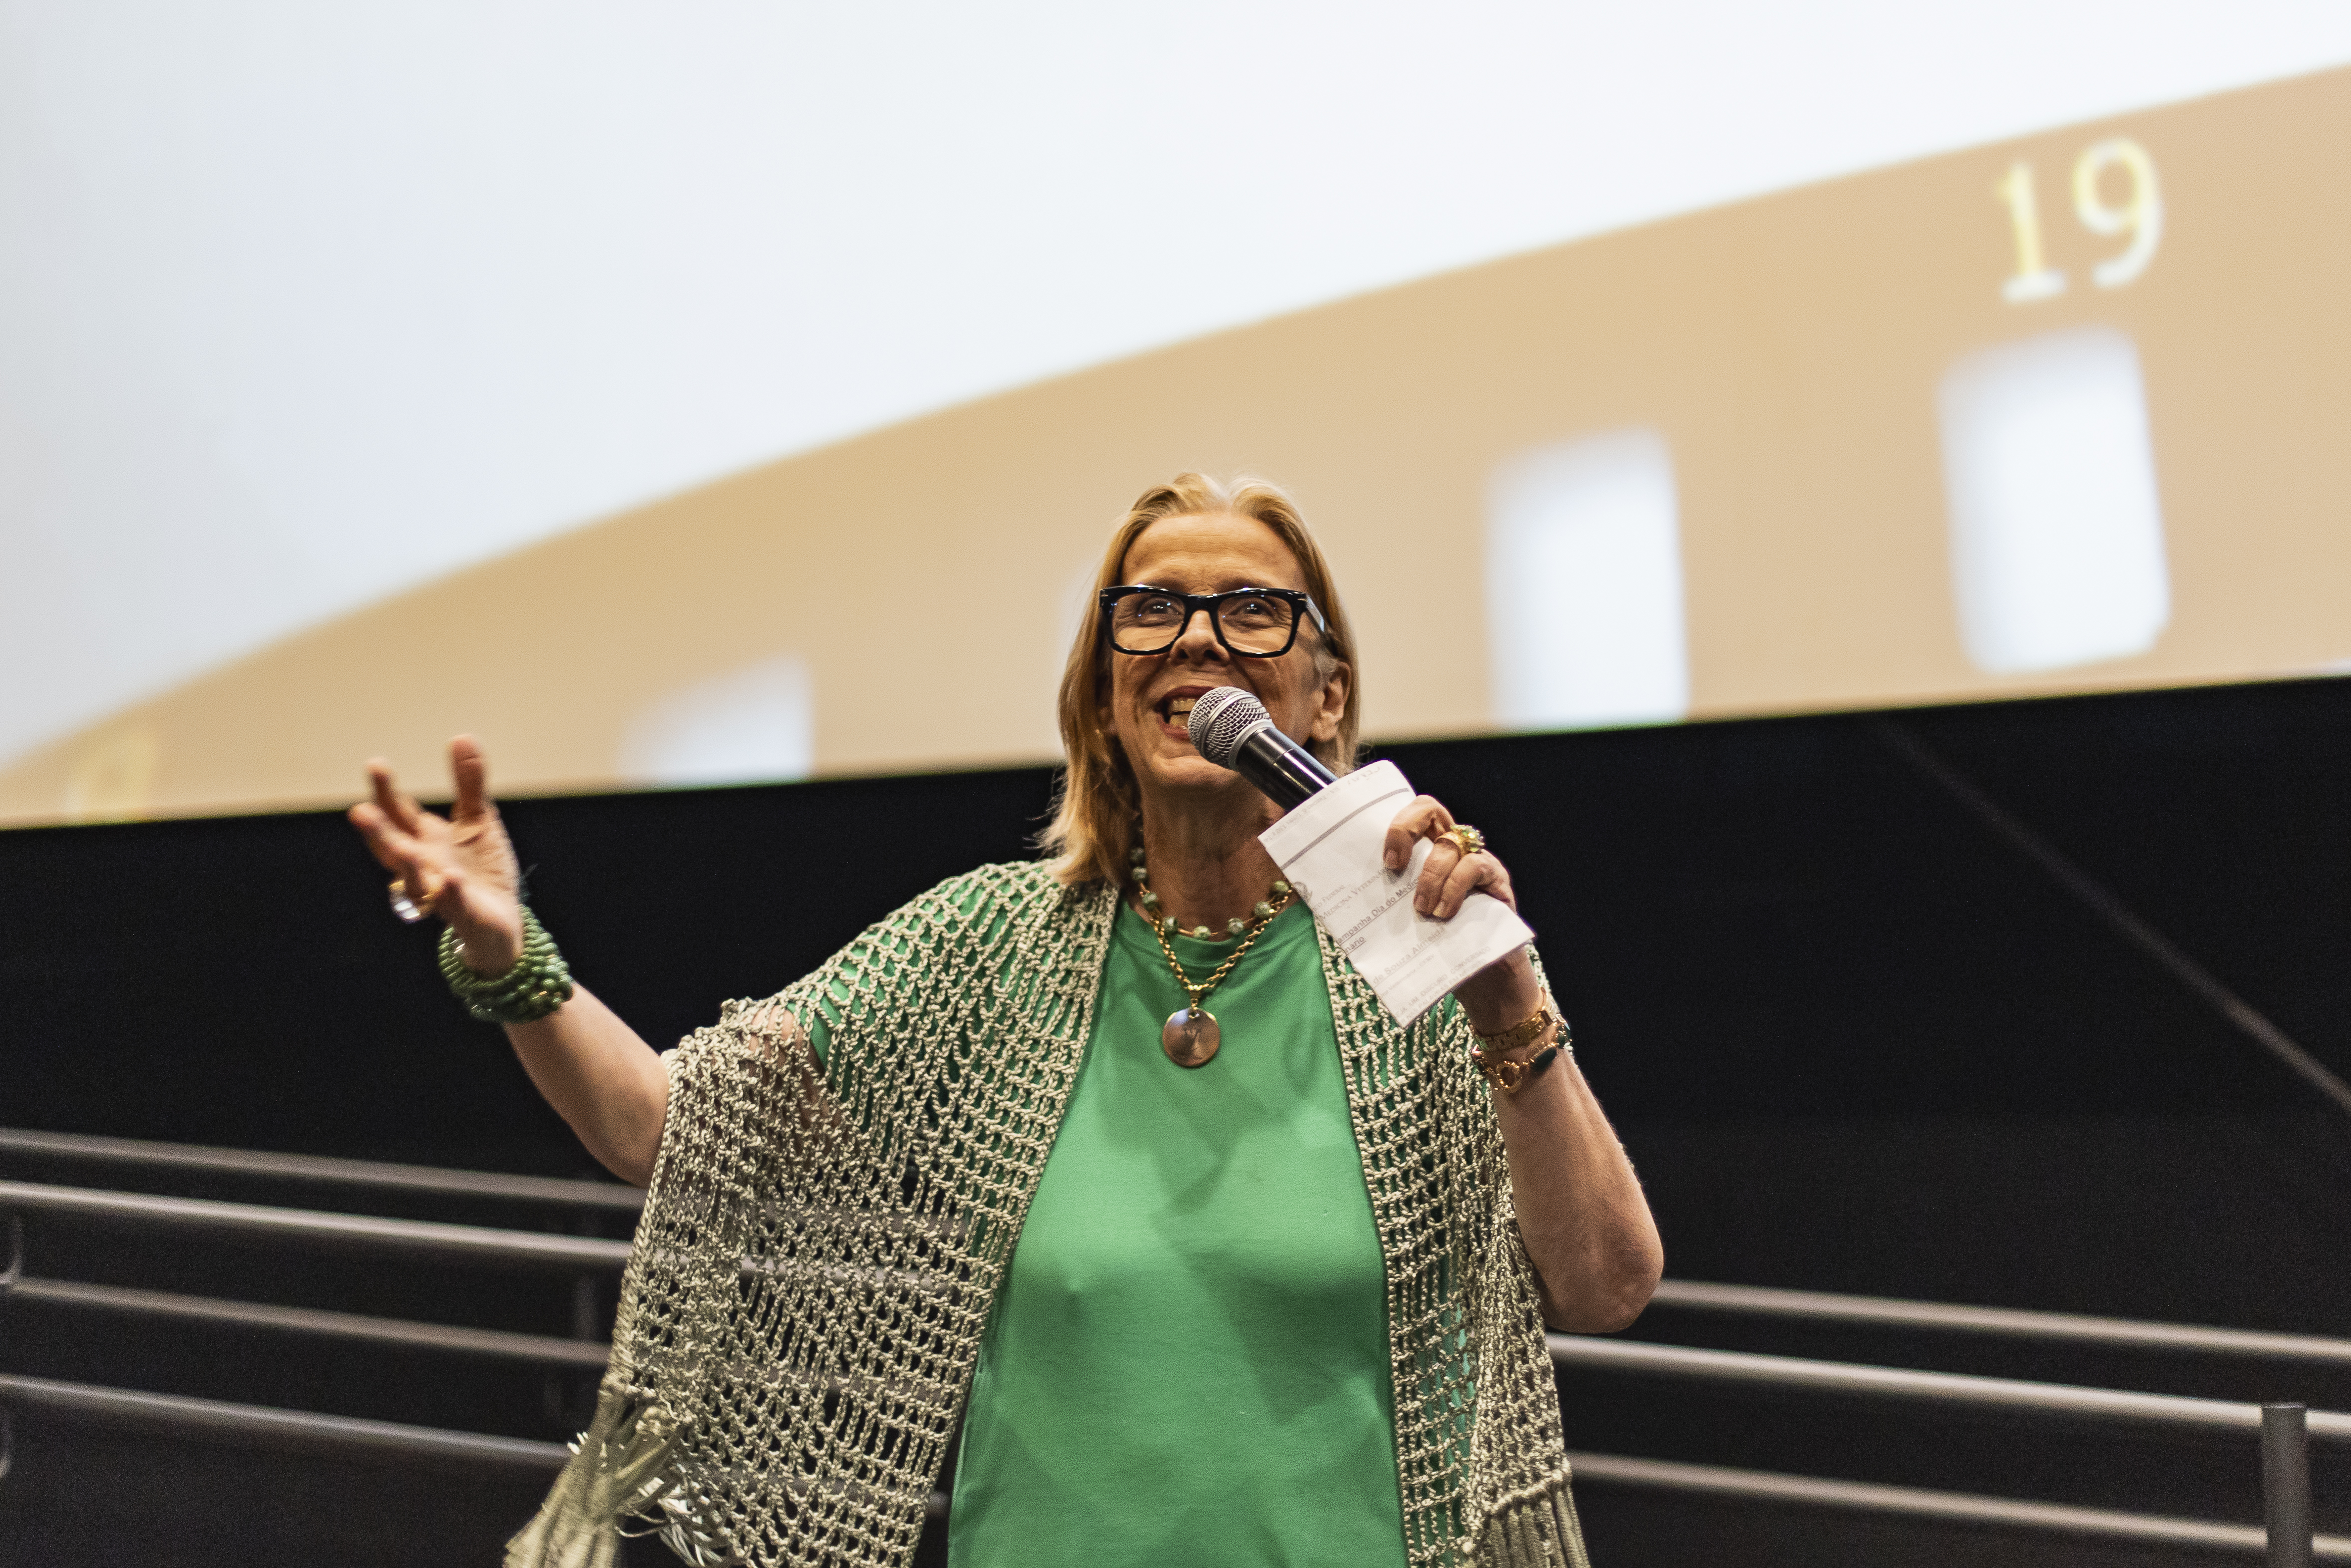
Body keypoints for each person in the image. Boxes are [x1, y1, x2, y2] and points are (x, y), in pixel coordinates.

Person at [349, 474, 1663, 1568]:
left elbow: (1604, 1285)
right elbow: (662, 1130)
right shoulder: (984, 947)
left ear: (1323, 695)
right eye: (1152, 613)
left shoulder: (1412, 958)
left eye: (1254, 612)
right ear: (1102, 692)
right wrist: (517, 961)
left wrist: (1509, 999)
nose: (1198, 642)